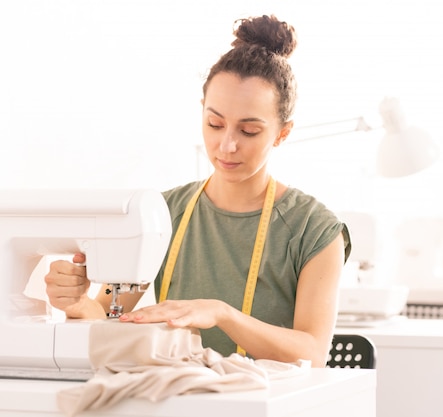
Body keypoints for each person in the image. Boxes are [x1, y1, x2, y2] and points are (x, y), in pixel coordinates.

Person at [44, 14, 351, 368]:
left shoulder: (315, 230)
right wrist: (77, 301)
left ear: (282, 133)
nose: (227, 145)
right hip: (180, 398)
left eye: (249, 131)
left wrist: (222, 314)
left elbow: (312, 352)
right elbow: (108, 315)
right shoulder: (161, 214)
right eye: (214, 123)